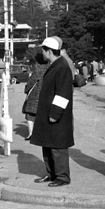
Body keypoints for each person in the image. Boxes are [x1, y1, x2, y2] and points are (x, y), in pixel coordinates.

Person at [30, 36, 74, 187]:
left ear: (49, 51)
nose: (42, 53)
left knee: (58, 147)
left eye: (43, 50)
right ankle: (51, 174)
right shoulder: (55, 65)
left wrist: (55, 114)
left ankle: (62, 177)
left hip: (56, 115)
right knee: (47, 145)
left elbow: (63, 93)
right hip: (47, 114)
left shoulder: (62, 67)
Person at [22, 52, 48, 140]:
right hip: (46, 95)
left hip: (35, 95)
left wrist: (26, 89)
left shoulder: (37, 71)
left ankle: (31, 134)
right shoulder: (50, 69)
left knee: (30, 115)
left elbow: (30, 84)